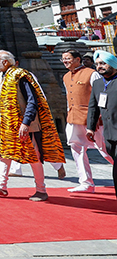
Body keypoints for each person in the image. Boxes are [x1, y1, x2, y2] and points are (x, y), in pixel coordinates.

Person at [0, 50, 65, 201]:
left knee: (34, 157)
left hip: (25, 125)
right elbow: (3, 99)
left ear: (5, 62)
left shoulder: (21, 75)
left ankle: (41, 190)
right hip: (7, 125)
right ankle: (1, 186)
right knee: (3, 154)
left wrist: (26, 123)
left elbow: (32, 101)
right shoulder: (2, 76)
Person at [61, 50, 113, 192]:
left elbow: (101, 93)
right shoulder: (65, 76)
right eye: (63, 59)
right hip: (73, 117)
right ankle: (86, 182)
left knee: (105, 150)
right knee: (76, 148)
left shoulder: (91, 73)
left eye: (68, 59)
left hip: (92, 118)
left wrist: (100, 116)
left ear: (78, 59)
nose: (65, 61)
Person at [86, 50, 117, 198]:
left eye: (103, 63)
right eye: (97, 64)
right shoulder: (98, 83)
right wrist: (90, 128)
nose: (99, 66)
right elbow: (93, 107)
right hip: (109, 133)